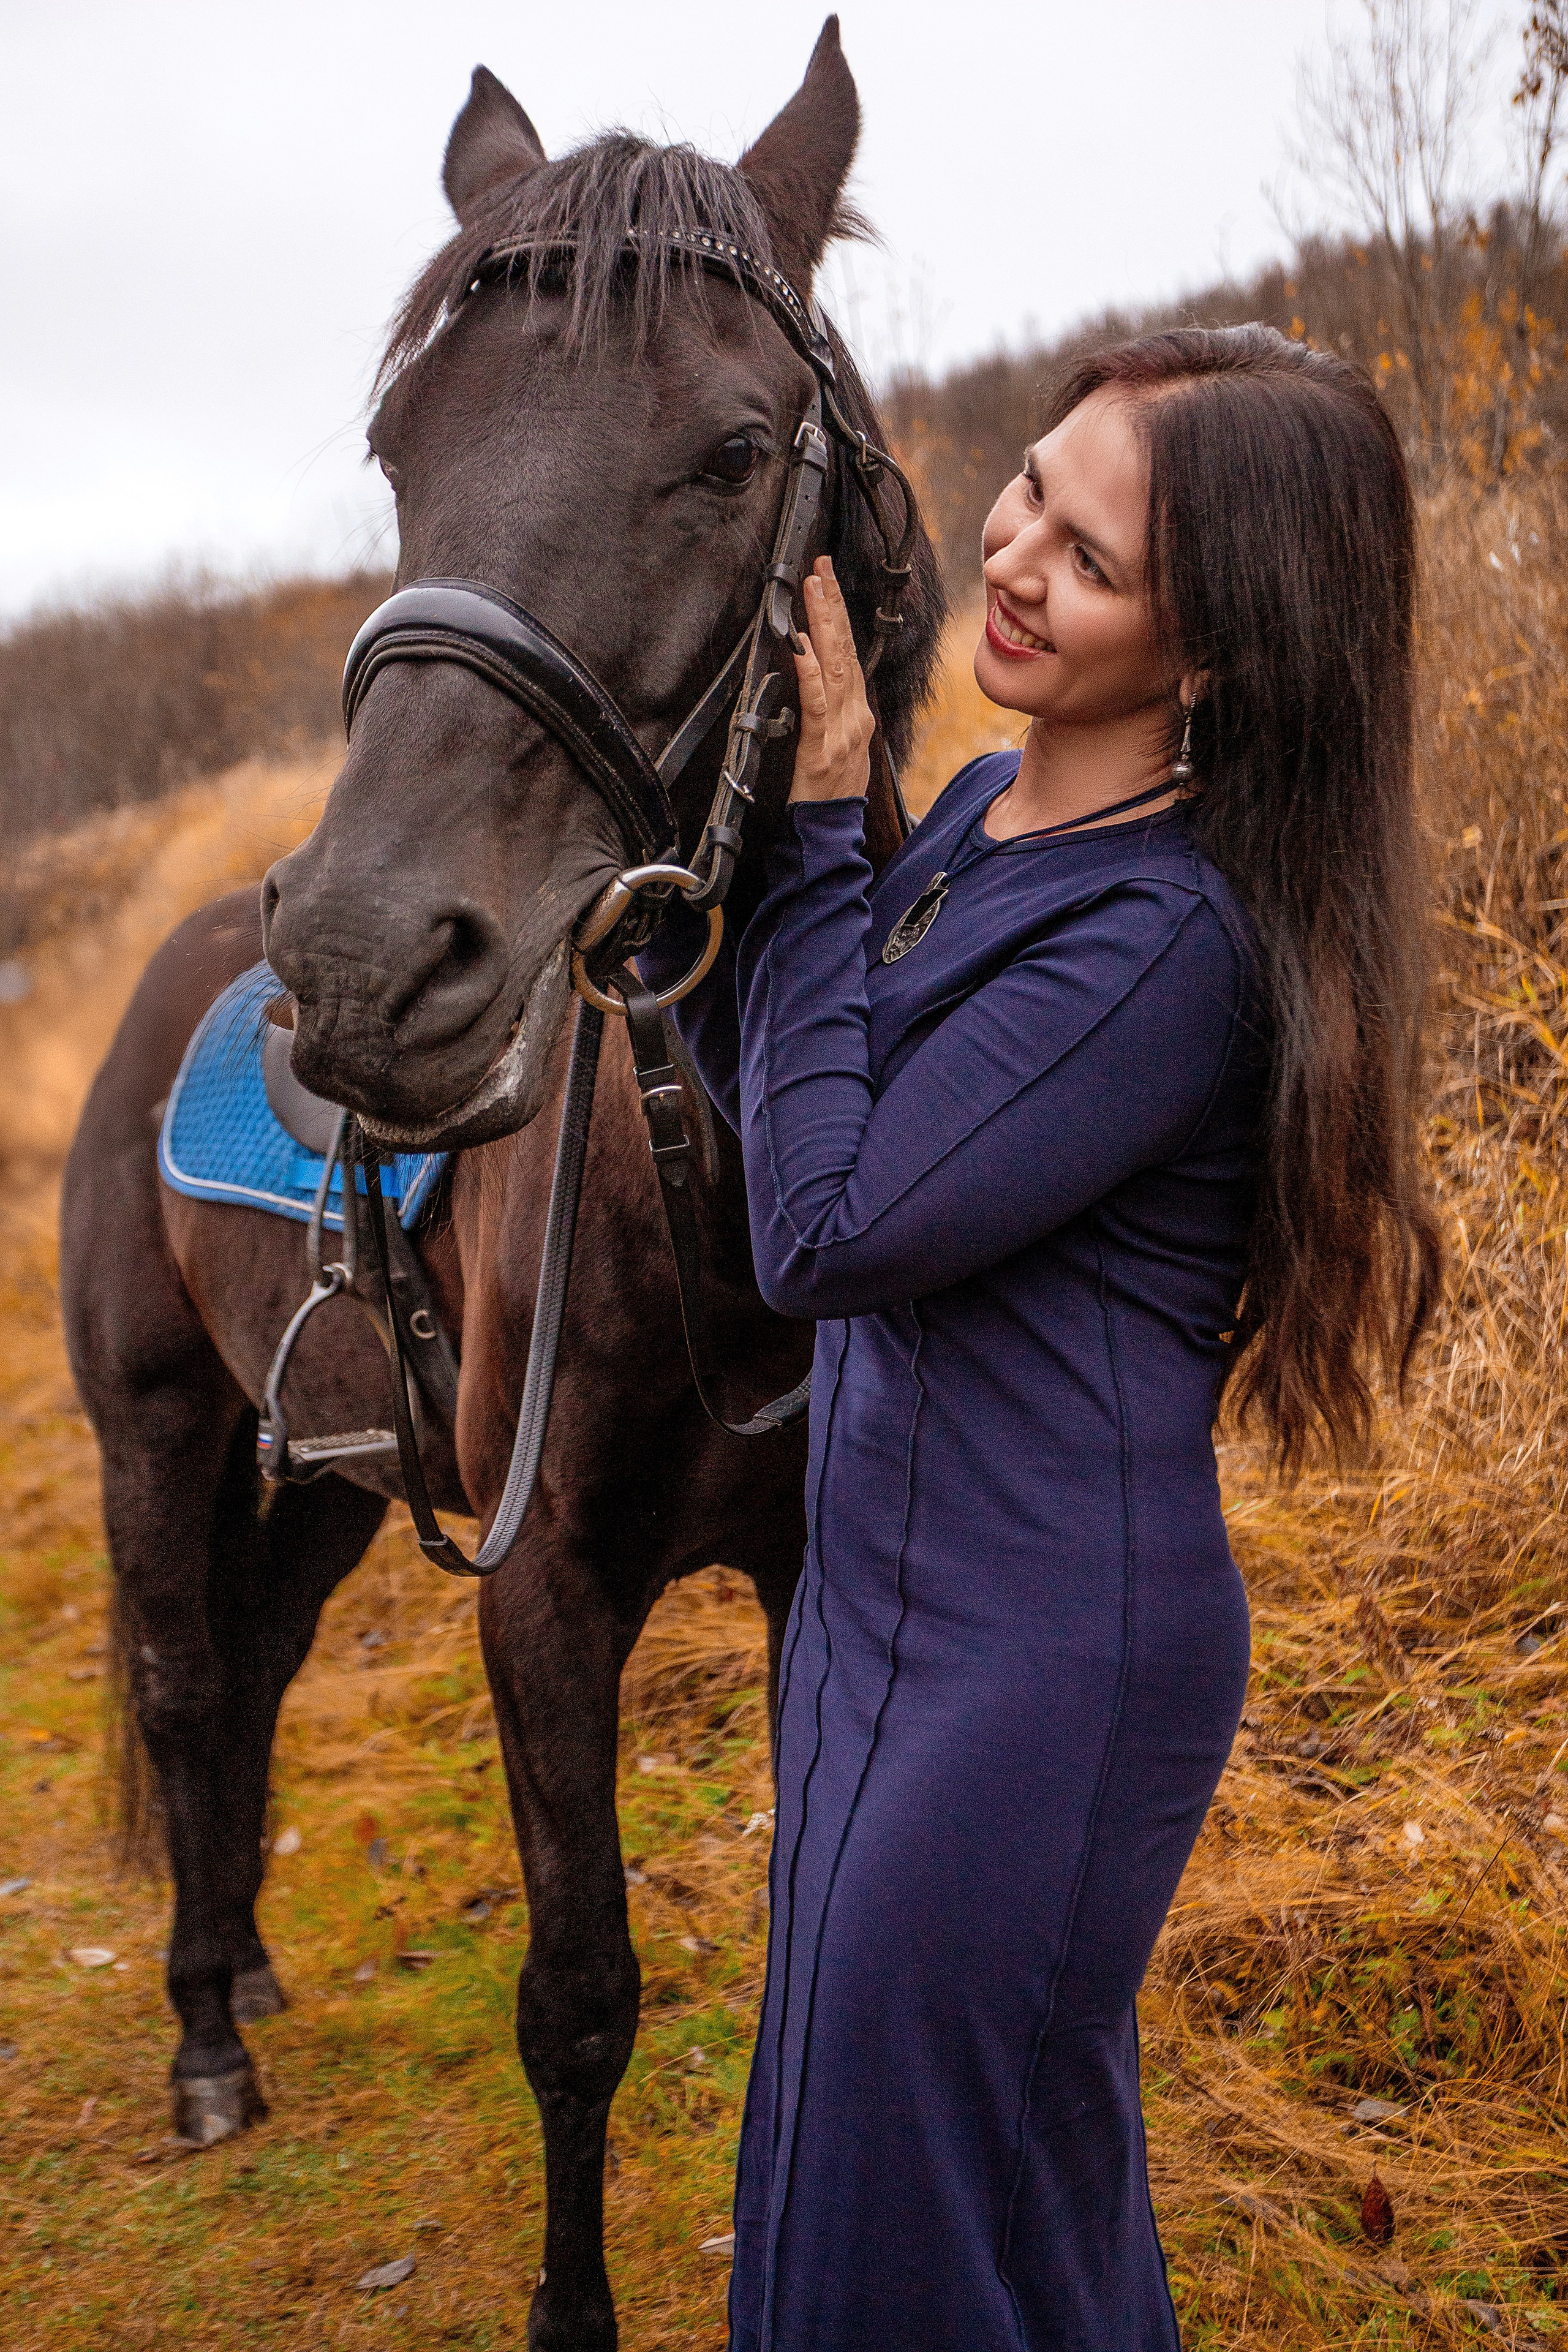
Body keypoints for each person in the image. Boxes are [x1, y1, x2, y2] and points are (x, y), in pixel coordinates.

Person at [646, 324, 1439, 2351]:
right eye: (1027, 487)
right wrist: (711, 873)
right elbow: (809, 1110)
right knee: (963, 2190)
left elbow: (831, 1231)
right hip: (878, 1622)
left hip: (1036, 1673)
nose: (1011, 553)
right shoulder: (995, 809)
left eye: (1087, 561)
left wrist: (826, 830)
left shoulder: (1167, 939)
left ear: (1217, 655)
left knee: (902, 2232)